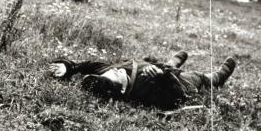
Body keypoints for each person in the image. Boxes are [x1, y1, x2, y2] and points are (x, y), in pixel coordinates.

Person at [49, 51, 236, 110]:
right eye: (116, 75)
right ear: (121, 88)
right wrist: (165, 78)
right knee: (198, 77)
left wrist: (69, 67)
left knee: (161, 63)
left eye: (109, 72)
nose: (115, 69)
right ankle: (216, 78)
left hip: (154, 66)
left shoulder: (109, 72)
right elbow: (177, 98)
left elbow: (91, 65)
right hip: (177, 81)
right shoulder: (143, 92)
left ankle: (172, 62)